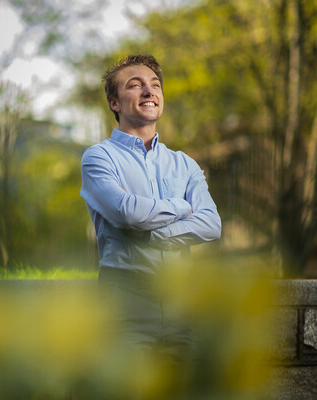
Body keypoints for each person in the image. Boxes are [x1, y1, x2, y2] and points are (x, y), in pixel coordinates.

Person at [80, 54, 221, 370]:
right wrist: (183, 207)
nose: (149, 91)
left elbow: (211, 224)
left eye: (155, 85)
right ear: (114, 102)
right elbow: (127, 214)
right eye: (135, 85)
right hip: (125, 297)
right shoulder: (98, 158)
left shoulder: (184, 163)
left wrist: (155, 234)